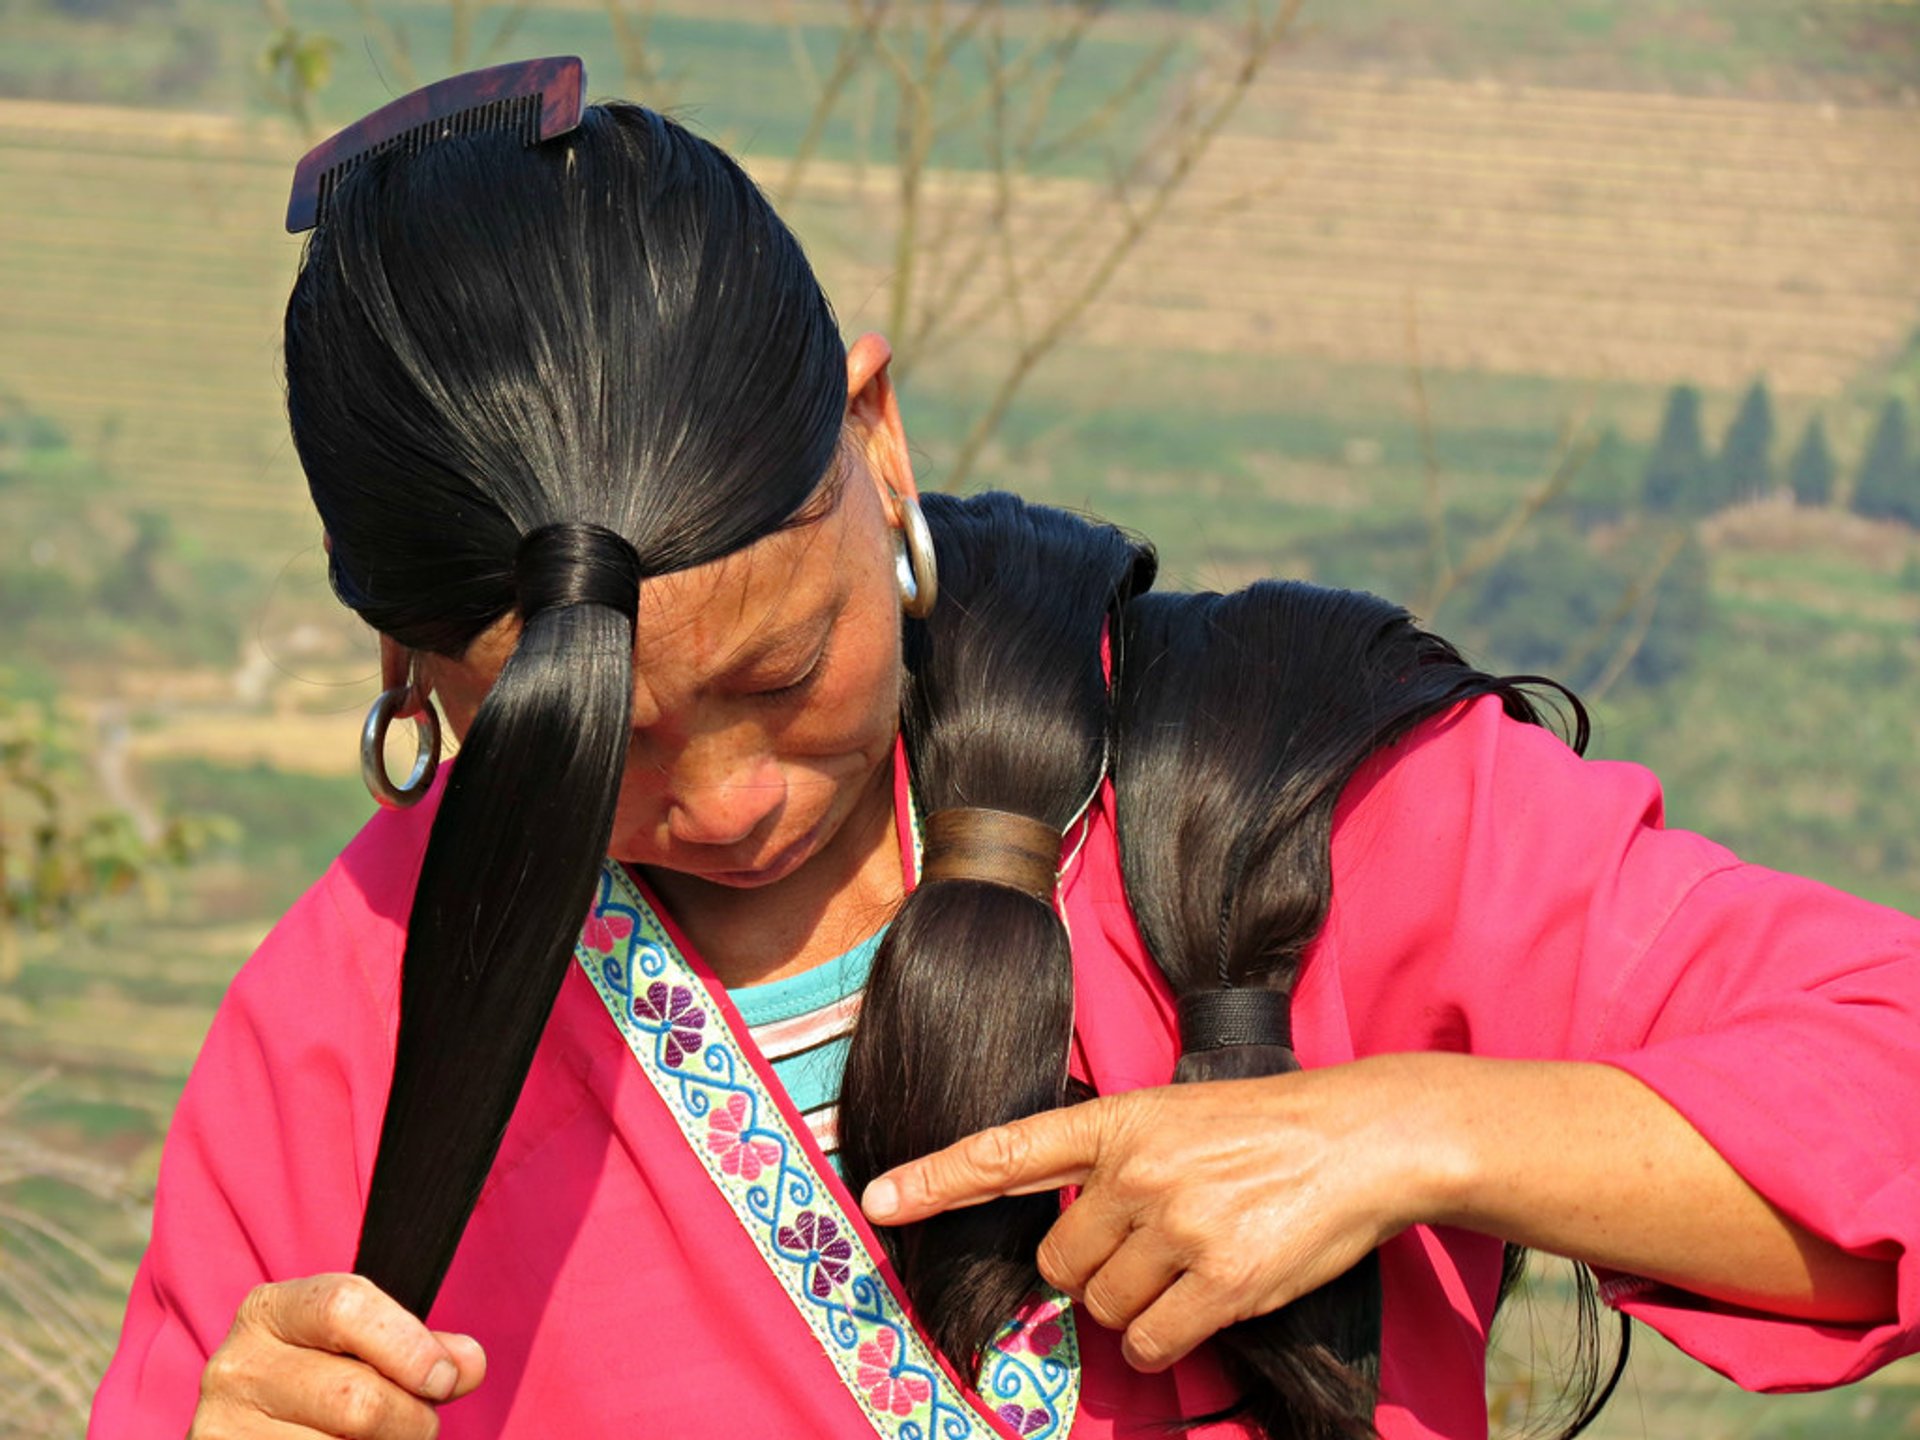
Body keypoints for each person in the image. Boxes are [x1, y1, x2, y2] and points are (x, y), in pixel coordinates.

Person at [90, 70, 1920, 1440]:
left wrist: (1413, 1132)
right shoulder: (341, 1036)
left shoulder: (1274, 797)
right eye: (604, 752)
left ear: (876, 438)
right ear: (416, 667)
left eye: (792, 665)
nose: (731, 797)